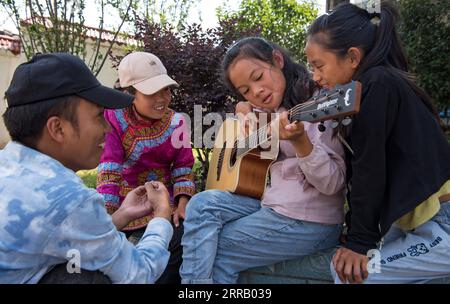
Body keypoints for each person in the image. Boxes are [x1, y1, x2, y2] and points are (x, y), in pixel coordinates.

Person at [180, 37, 347, 284]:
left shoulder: (318, 103)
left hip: (309, 219)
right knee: (201, 205)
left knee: (213, 251)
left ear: (278, 60)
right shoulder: (273, 105)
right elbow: (241, 107)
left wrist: (301, 143)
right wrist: (243, 111)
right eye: (246, 89)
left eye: (258, 77)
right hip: (273, 203)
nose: (256, 91)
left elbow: (333, 183)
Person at [305, 1, 450, 284]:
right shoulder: (378, 84)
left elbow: (369, 166)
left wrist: (360, 242)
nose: (316, 76)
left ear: (353, 57)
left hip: (441, 224)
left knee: (351, 275)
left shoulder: (377, 84)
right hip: (419, 222)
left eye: (319, 65)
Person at [0, 53, 174, 284]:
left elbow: (63, 231)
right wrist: (161, 216)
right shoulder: (68, 198)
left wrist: (121, 215)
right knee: (91, 276)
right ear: (58, 128)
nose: (107, 128)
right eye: (99, 117)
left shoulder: (8, 164)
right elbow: (138, 274)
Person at [96, 52, 195, 284]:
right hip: (125, 204)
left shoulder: (177, 122)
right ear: (129, 93)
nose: (163, 98)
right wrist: (107, 218)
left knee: (178, 244)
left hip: (165, 202)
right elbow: (110, 168)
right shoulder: (113, 118)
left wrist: (182, 204)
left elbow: (183, 166)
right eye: (152, 92)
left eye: (167, 90)